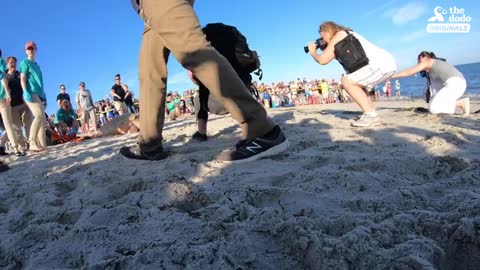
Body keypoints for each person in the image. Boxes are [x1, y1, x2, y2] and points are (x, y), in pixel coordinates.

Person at [121, 0, 288, 162]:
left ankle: (261, 129)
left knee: (195, 52)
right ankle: (149, 145)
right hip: (146, 8)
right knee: (149, 72)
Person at [307, 21, 397, 127]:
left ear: (327, 31)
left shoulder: (339, 35)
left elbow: (323, 60)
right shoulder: (345, 34)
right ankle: (370, 112)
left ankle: (370, 115)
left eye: (323, 36)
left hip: (379, 65)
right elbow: (347, 61)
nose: (323, 40)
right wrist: (327, 48)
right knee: (357, 82)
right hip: (386, 63)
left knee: (346, 81)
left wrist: (313, 51)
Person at [391, 51, 469, 116]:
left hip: (455, 84)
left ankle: (461, 103)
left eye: (419, 60)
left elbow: (408, 72)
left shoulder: (427, 61)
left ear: (424, 57)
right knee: (434, 106)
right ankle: (458, 104)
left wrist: (391, 76)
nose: (418, 62)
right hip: (457, 83)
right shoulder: (432, 69)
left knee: (434, 109)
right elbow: (434, 90)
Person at [20, 41, 47, 152]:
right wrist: (25, 91)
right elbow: (22, 78)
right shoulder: (24, 63)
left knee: (43, 118)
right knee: (39, 115)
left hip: (39, 94)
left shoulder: (36, 65)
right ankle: (32, 142)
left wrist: (43, 95)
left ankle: (43, 145)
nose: (30, 50)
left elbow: (39, 81)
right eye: (28, 48)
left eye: (32, 48)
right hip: (30, 92)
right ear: (26, 51)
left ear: (36, 49)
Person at [6, 56, 33, 149]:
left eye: (14, 62)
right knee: (16, 127)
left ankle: (31, 143)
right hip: (12, 105)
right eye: (11, 62)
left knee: (28, 123)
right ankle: (22, 146)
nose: (13, 64)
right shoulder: (4, 76)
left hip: (24, 103)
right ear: (7, 64)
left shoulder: (19, 74)